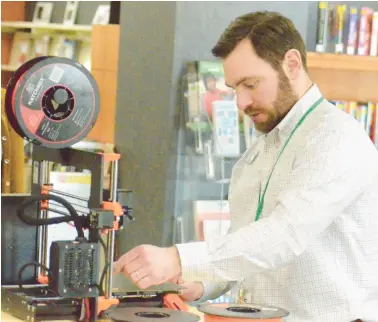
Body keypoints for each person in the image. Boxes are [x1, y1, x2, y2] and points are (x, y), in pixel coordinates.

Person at [113, 11, 378, 322]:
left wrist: (178, 259)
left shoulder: (336, 137)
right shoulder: (266, 141)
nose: (240, 102)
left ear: (291, 64)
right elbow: (248, 246)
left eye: (250, 84)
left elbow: (284, 236)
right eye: (234, 88)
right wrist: (198, 284)